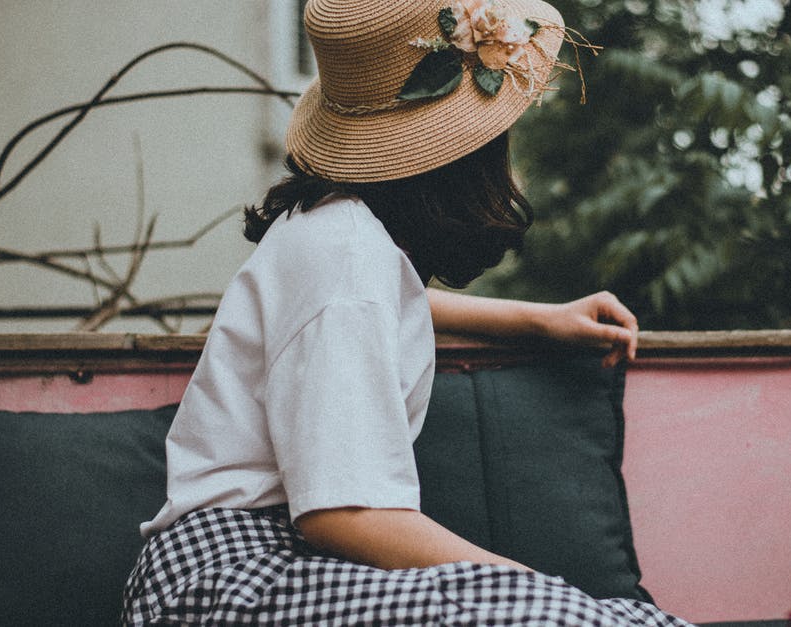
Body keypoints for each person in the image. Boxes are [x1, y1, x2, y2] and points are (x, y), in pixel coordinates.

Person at [122, 0, 693, 624]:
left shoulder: (334, 232)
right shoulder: (344, 256)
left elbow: (383, 304)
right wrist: (547, 595)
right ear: (460, 152)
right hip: (232, 585)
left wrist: (537, 320)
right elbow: (344, 516)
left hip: (223, 572)